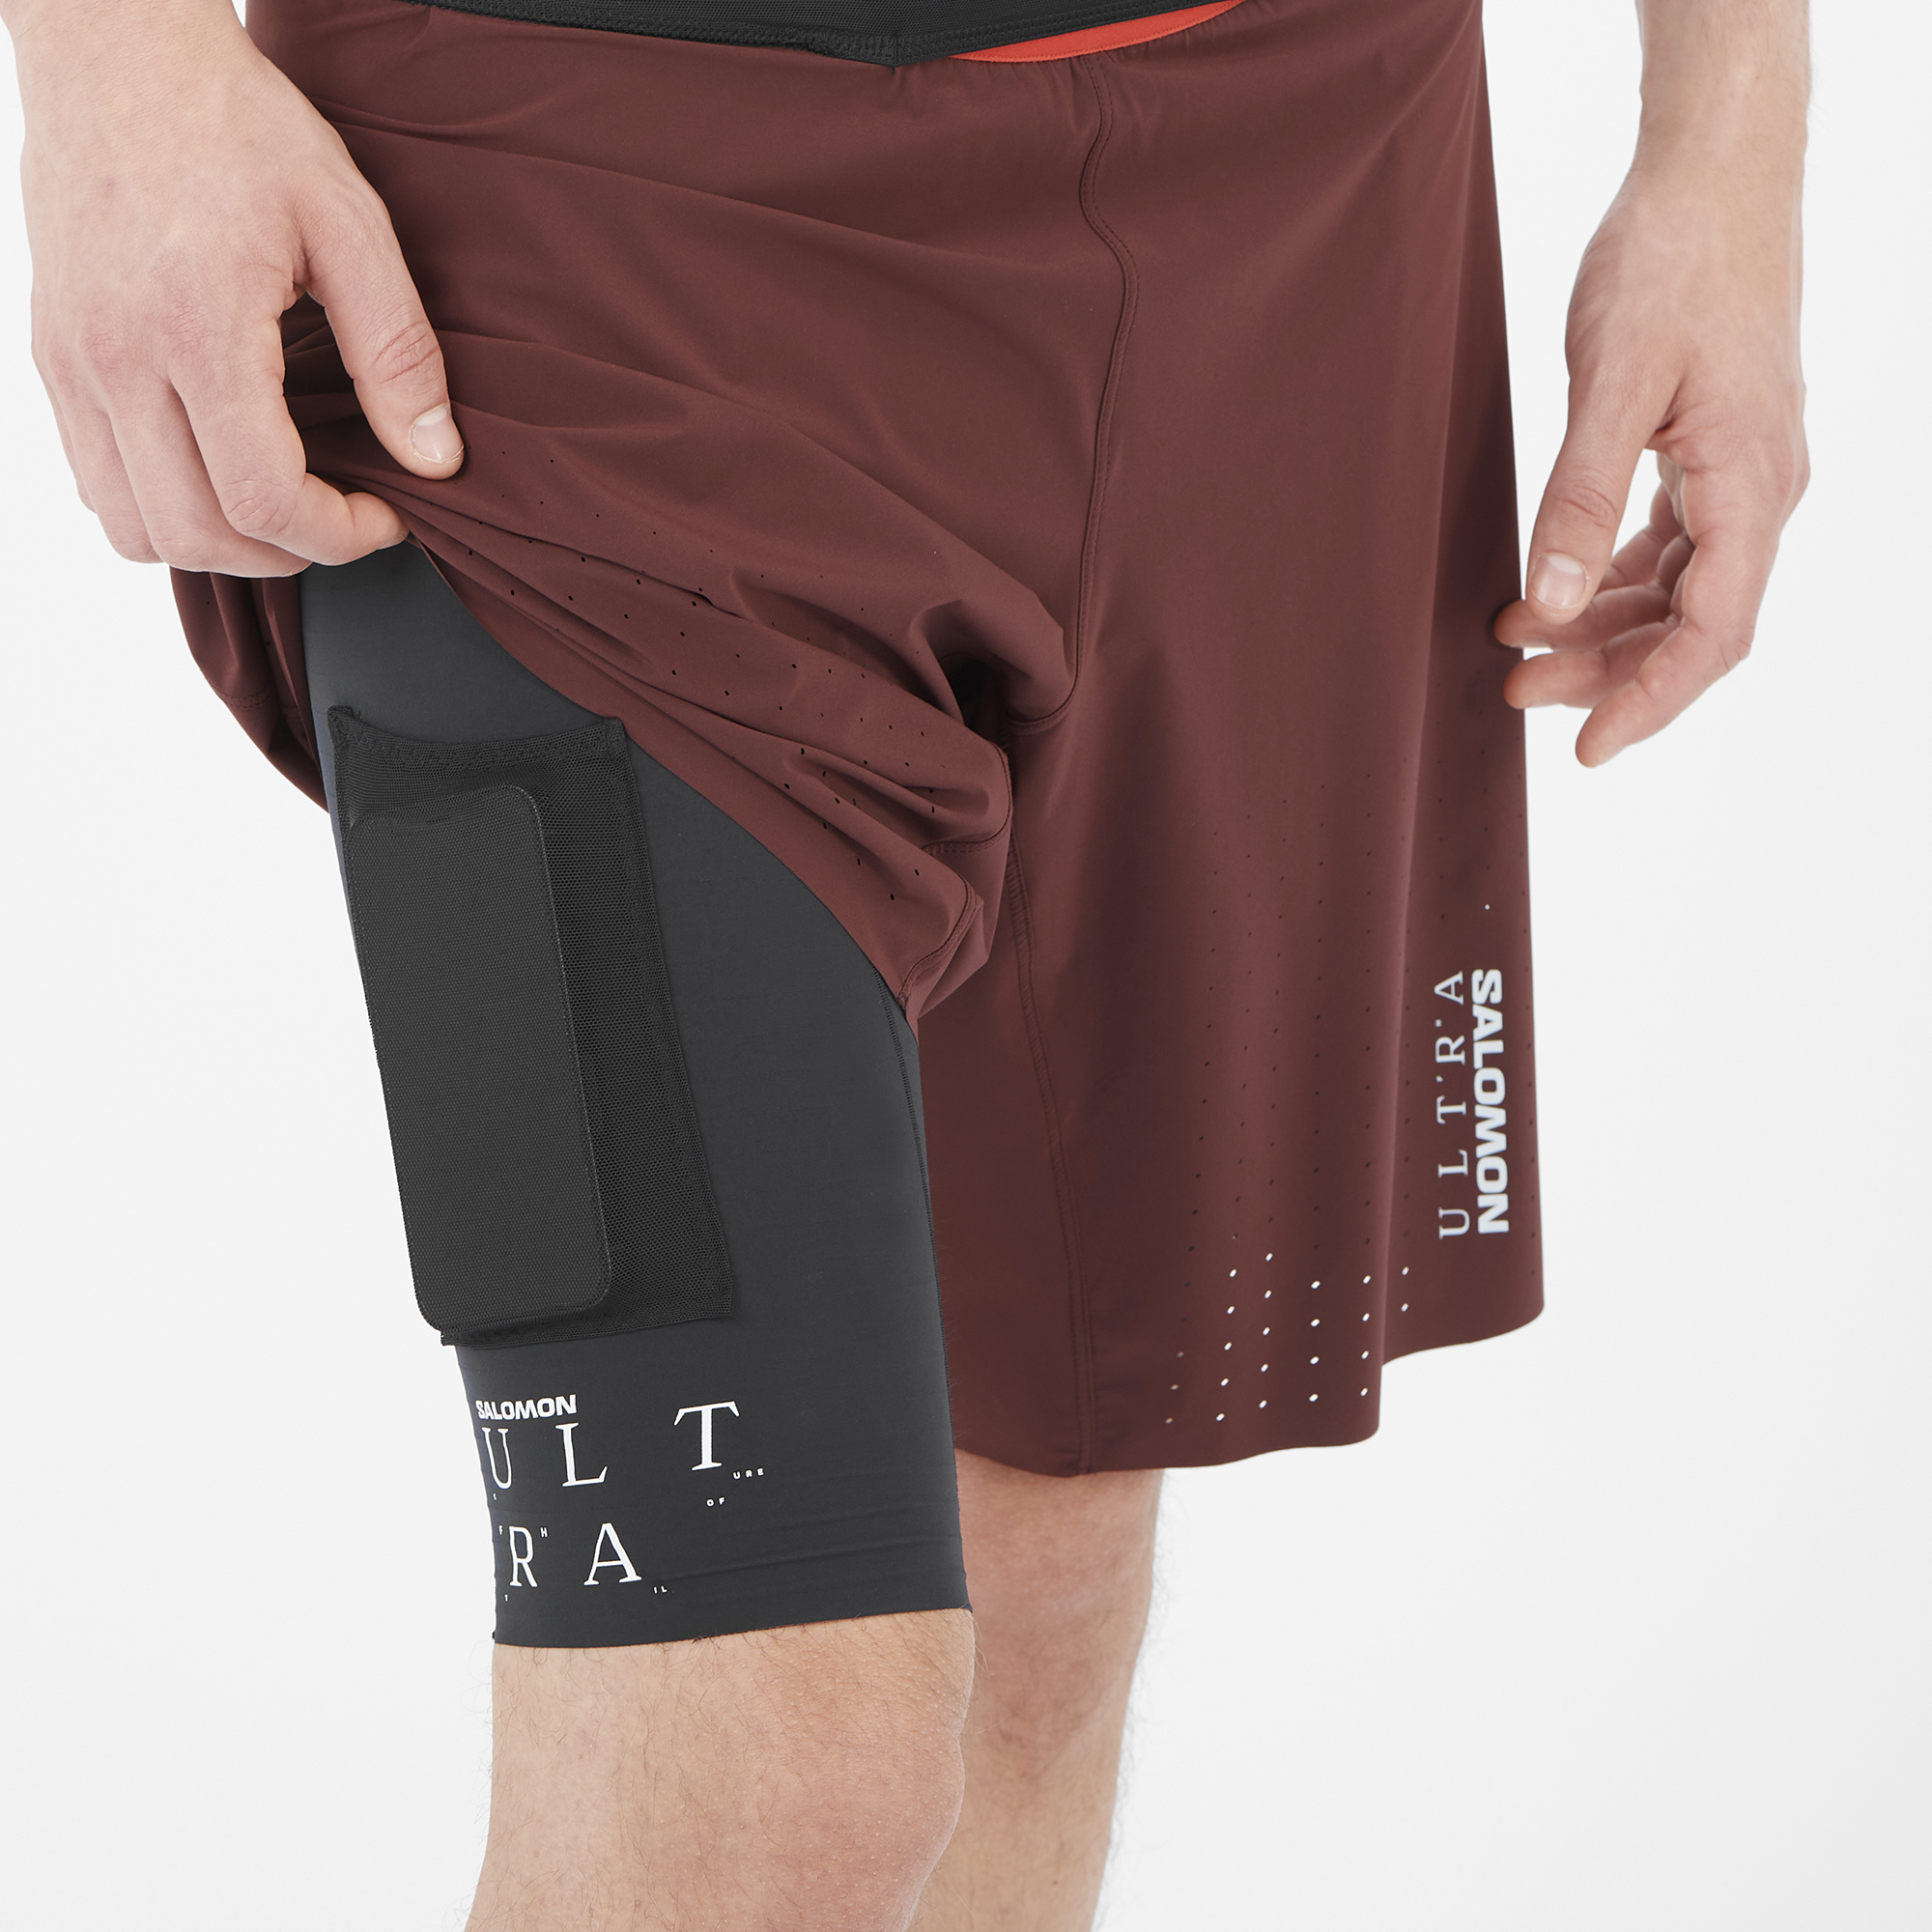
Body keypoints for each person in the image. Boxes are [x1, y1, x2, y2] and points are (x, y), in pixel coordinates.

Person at [1, 0, 1808, 1926]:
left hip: (1282, 182)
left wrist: (1729, 145)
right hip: (554, 213)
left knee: (1036, 1597)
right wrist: (111, 65)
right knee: (784, 1775)